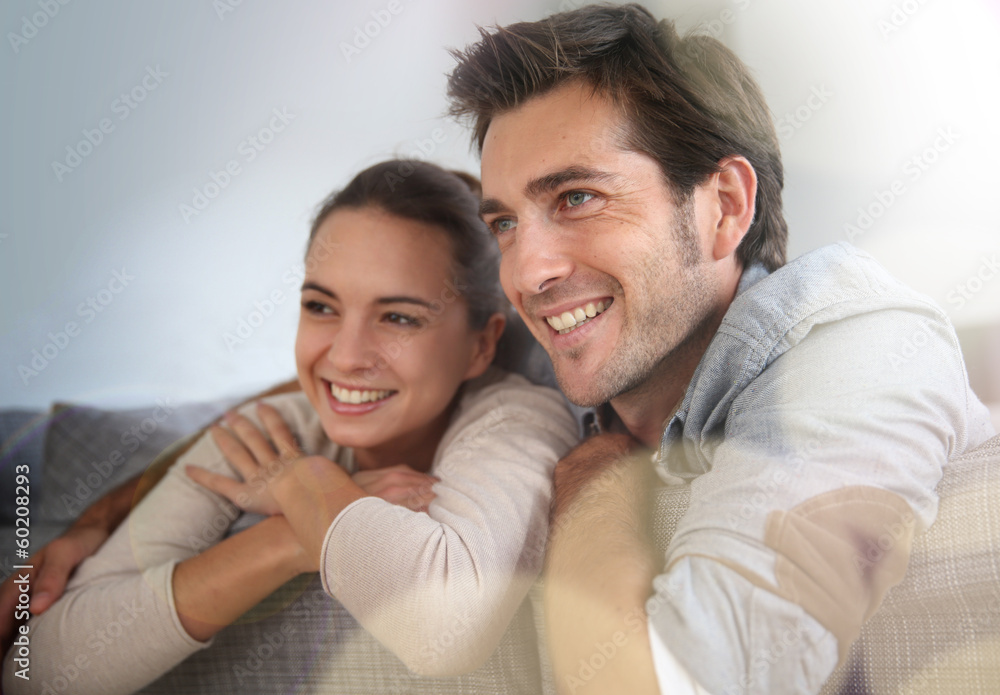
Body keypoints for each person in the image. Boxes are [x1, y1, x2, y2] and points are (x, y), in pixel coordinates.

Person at [444, 4, 995, 694]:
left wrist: (595, 484)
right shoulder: (581, 351)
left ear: (726, 205)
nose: (526, 275)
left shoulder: (863, 347)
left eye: (578, 197)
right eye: (505, 222)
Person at [1, 160, 578, 694]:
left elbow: (445, 627)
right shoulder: (266, 433)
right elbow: (39, 673)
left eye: (398, 317)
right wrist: (291, 535)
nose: (345, 355)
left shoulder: (516, 415)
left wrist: (304, 487)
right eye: (321, 307)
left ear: (482, 345)